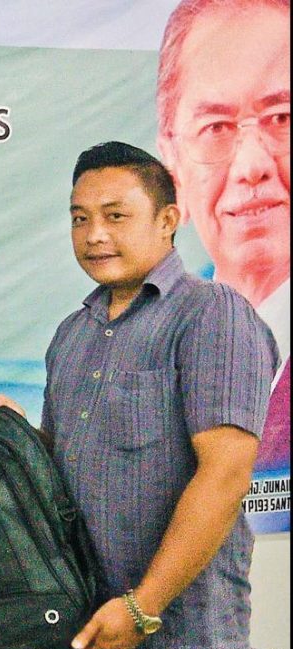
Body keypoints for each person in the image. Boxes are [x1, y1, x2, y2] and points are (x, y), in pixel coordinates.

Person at [0, 142, 277, 649]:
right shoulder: (71, 334)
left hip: (184, 642)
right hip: (83, 628)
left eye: (115, 216)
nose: (94, 234)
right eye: (80, 218)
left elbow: (225, 475)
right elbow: (63, 470)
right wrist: (18, 440)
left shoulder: (211, 314)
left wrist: (142, 607)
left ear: (168, 220)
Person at [156, 0, 290, 473]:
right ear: (172, 165)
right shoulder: (151, 338)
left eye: (282, 118)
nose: (252, 166)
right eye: (216, 128)